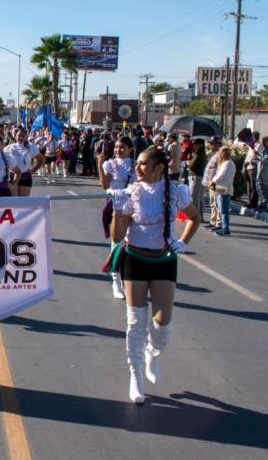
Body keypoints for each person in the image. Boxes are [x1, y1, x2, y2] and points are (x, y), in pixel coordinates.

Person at [109, 147, 200, 404]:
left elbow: (194, 218)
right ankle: (135, 374)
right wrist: (117, 208)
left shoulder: (177, 191)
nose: (137, 168)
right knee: (136, 323)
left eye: (143, 164)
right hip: (135, 261)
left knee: (162, 325)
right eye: (137, 163)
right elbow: (117, 236)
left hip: (163, 261)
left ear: (159, 167)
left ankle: (153, 352)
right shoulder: (132, 192)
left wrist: (183, 242)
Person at [99, 136, 136, 299]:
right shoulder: (111, 164)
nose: (118, 150)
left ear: (130, 149)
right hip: (116, 208)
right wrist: (100, 165)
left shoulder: (136, 165)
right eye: (116, 147)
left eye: (122, 147)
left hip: (134, 208)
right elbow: (105, 185)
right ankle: (116, 281)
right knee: (117, 244)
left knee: (132, 243)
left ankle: (127, 278)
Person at [5, 129, 42, 197]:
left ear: (25, 137)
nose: (20, 137)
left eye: (23, 136)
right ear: (15, 136)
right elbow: (2, 159)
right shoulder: (9, 147)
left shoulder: (31, 147)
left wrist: (33, 170)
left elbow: (41, 159)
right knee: (14, 200)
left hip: (25, 177)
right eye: (19, 135)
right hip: (13, 176)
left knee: (23, 201)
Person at [209, 147, 236, 236]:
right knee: (220, 209)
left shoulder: (228, 164)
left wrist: (213, 182)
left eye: (221, 153)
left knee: (224, 210)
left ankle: (225, 228)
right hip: (220, 188)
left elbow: (221, 176)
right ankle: (221, 225)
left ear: (226, 153)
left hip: (225, 189)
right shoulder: (225, 163)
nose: (220, 155)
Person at [202, 137, 222, 230]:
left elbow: (219, 171)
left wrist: (214, 182)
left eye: (212, 144)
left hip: (215, 183)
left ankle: (218, 223)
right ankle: (213, 221)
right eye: (210, 143)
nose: (210, 145)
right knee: (213, 203)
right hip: (211, 183)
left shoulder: (220, 155)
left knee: (217, 204)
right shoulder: (215, 154)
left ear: (218, 144)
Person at [186, 138, 207, 217]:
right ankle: (199, 216)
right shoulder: (199, 153)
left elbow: (192, 165)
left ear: (200, 145)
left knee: (194, 197)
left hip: (196, 176)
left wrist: (188, 161)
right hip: (198, 176)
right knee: (198, 197)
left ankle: (195, 216)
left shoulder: (199, 154)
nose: (194, 146)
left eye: (195, 144)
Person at [256, 136, 268, 211]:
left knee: (263, 190)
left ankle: (264, 205)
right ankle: (262, 203)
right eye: (263, 141)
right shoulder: (264, 150)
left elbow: (264, 160)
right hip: (260, 173)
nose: (263, 143)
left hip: (265, 174)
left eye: (265, 141)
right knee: (259, 189)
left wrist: (257, 155)